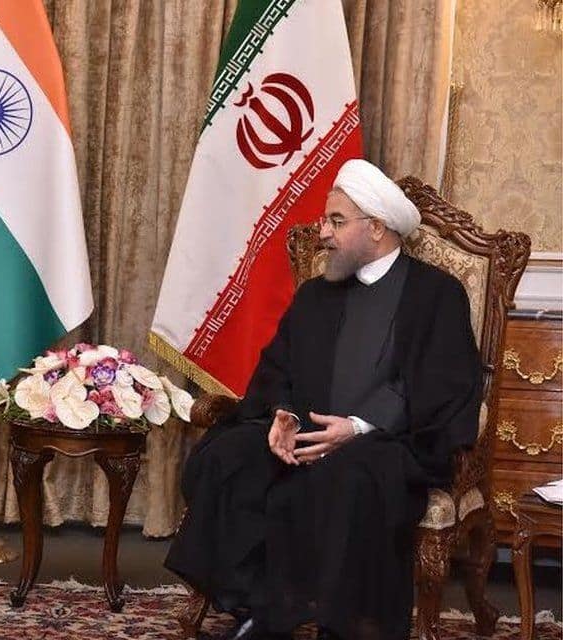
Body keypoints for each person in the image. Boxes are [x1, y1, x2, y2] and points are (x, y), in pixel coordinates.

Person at [164, 159, 482, 640]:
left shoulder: (436, 295)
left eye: (336, 221)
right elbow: (278, 369)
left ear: (376, 229)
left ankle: (332, 621)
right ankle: (253, 602)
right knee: (227, 457)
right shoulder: (316, 293)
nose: (323, 233)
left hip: (388, 443)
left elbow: (445, 388)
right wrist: (283, 415)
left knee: (346, 476)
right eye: (325, 220)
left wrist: (357, 427)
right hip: (307, 433)